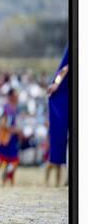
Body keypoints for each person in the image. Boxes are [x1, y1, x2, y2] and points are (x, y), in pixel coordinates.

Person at [45, 45, 69, 187]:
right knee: (54, 161)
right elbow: (64, 69)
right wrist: (56, 83)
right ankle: (51, 182)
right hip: (65, 93)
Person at [0, 88, 21, 186]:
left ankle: (9, 180)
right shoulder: (6, 108)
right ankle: (5, 180)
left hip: (13, 137)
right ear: (11, 96)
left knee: (12, 161)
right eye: (15, 95)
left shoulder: (15, 108)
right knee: (9, 161)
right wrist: (14, 130)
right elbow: (3, 124)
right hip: (7, 137)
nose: (17, 97)